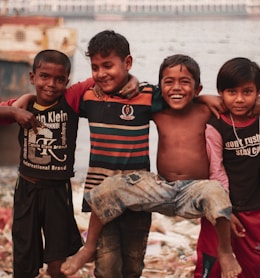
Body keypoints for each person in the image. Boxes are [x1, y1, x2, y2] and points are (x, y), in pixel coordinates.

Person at [62, 54, 242, 278]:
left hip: (194, 191)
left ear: (197, 89)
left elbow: (245, 108)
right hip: (161, 187)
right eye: (169, 82)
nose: (177, 88)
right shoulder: (157, 110)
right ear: (160, 88)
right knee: (109, 187)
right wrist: (117, 82)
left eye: (185, 82)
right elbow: (132, 93)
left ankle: (225, 253)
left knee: (216, 190)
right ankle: (88, 247)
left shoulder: (206, 111)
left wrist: (213, 99)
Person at [194, 57, 260, 278]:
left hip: (254, 206)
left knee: (252, 264)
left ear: (259, 91)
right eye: (231, 92)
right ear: (220, 93)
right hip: (218, 206)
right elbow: (216, 171)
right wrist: (225, 210)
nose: (240, 99)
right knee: (211, 263)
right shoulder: (215, 124)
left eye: (248, 92)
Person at [11, 49, 95, 278]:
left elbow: (100, 78)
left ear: (67, 81)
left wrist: (133, 80)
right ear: (32, 78)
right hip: (26, 190)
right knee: (23, 258)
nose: (51, 84)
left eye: (59, 79)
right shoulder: (22, 107)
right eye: (44, 77)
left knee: (57, 263)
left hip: (57, 192)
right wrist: (13, 111)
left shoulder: (70, 100)